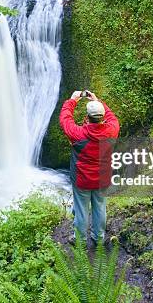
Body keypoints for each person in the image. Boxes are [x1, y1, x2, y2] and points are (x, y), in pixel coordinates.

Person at [59, 90, 119, 246]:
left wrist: (72, 100)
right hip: (102, 178)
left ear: (87, 117)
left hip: (82, 179)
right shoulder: (112, 130)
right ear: (102, 117)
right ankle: (98, 238)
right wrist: (98, 101)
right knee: (100, 206)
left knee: (81, 210)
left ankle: (80, 240)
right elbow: (111, 116)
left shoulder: (78, 134)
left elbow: (65, 119)